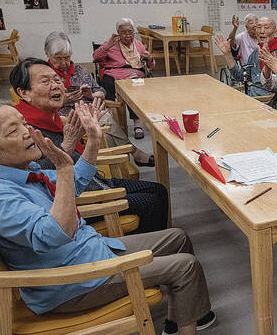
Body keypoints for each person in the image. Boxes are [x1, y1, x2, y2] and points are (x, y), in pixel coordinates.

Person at [0, 100, 229, 335]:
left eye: (23, 122)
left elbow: (74, 185)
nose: (26, 131)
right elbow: (54, 234)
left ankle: (179, 319)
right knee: (185, 266)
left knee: (177, 237)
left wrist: (92, 141)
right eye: (12, 130)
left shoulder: (21, 173)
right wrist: (64, 168)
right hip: (73, 282)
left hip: (90, 251)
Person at [11, 58, 168, 234]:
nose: (56, 86)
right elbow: (38, 178)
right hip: (78, 199)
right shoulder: (25, 131)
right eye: (45, 81)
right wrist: (67, 146)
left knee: (159, 190)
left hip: (89, 181)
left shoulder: (52, 117)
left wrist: (91, 132)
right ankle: (139, 253)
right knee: (150, 203)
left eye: (57, 80)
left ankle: (159, 245)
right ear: (24, 93)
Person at [44, 31, 153, 166]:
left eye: (67, 57)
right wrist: (62, 100)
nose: (64, 63)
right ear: (48, 55)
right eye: (58, 58)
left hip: (90, 111)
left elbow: (100, 91)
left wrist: (91, 95)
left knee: (104, 119)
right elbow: (39, 103)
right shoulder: (44, 76)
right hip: (66, 118)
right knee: (105, 120)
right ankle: (129, 154)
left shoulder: (79, 71)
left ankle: (117, 163)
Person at [93, 18, 155, 139]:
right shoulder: (111, 43)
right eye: (123, 32)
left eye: (130, 32)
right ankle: (112, 119)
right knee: (107, 82)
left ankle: (137, 123)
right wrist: (107, 46)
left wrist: (149, 58)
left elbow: (151, 65)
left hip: (135, 73)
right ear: (118, 33)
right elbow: (96, 57)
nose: (127, 35)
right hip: (114, 73)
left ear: (133, 32)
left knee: (134, 86)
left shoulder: (138, 45)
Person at [217, 16, 277, 97]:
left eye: (266, 27)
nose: (262, 31)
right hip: (252, 98)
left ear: (275, 32)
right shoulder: (255, 54)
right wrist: (228, 54)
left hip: (269, 101)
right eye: (259, 27)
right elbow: (241, 77)